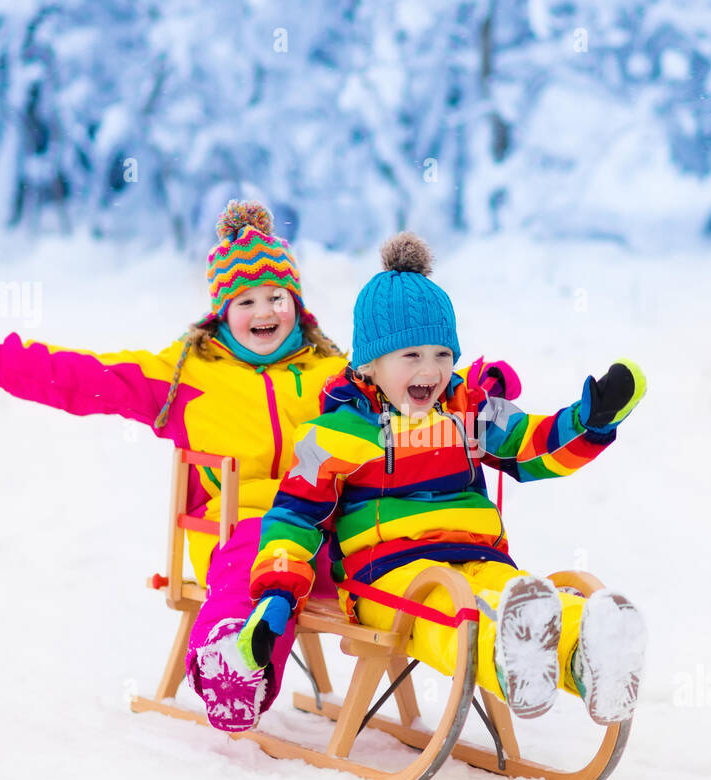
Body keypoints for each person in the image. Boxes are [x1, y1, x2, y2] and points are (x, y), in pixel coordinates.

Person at [0, 202, 518, 732]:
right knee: (256, 558)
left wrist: (487, 391)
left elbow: (423, 386)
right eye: (246, 301)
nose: (265, 312)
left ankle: (494, 636)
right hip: (247, 530)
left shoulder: (335, 372)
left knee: (399, 551)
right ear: (221, 312)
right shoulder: (189, 375)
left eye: (276, 297)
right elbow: (89, 376)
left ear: (297, 303)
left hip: (340, 531)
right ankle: (235, 663)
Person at [239, 232, 648, 727]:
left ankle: (591, 651)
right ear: (370, 363)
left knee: (513, 591)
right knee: (449, 611)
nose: (431, 371)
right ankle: (507, 653)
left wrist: (589, 420)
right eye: (411, 356)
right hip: (386, 575)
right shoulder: (333, 434)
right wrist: (277, 592)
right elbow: (293, 517)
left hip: (478, 556)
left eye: (442, 354)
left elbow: (531, 447)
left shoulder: (470, 411)